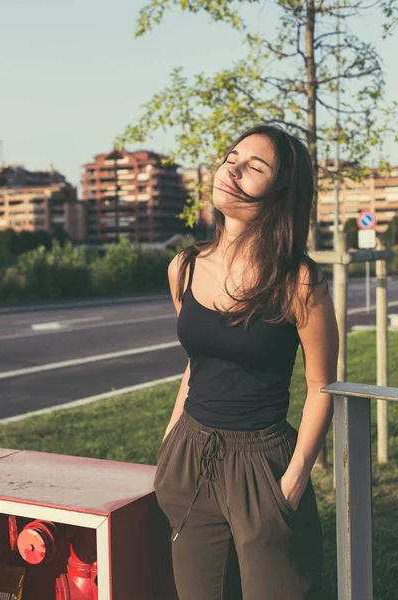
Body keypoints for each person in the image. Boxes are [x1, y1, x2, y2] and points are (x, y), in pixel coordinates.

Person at [154, 124, 339, 600]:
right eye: (231, 157)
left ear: (279, 193)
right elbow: (197, 364)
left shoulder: (299, 281)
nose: (232, 169)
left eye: (254, 167)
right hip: (190, 458)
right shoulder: (185, 266)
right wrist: (170, 446)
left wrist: (295, 480)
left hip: (264, 466)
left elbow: (322, 385)